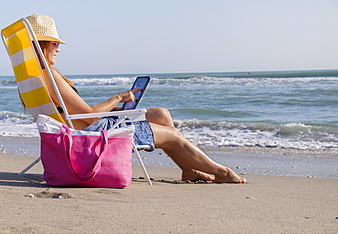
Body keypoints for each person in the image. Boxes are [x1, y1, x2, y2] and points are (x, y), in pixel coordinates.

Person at [26, 14, 247, 183]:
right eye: (55, 44)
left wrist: (115, 108)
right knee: (172, 135)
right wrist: (118, 97)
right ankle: (222, 172)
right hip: (91, 135)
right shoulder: (49, 75)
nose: (59, 49)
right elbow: (89, 117)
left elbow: (75, 115)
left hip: (84, 128)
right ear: (42, 44)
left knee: (160, 114)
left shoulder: (36, 77)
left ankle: (189, 169)